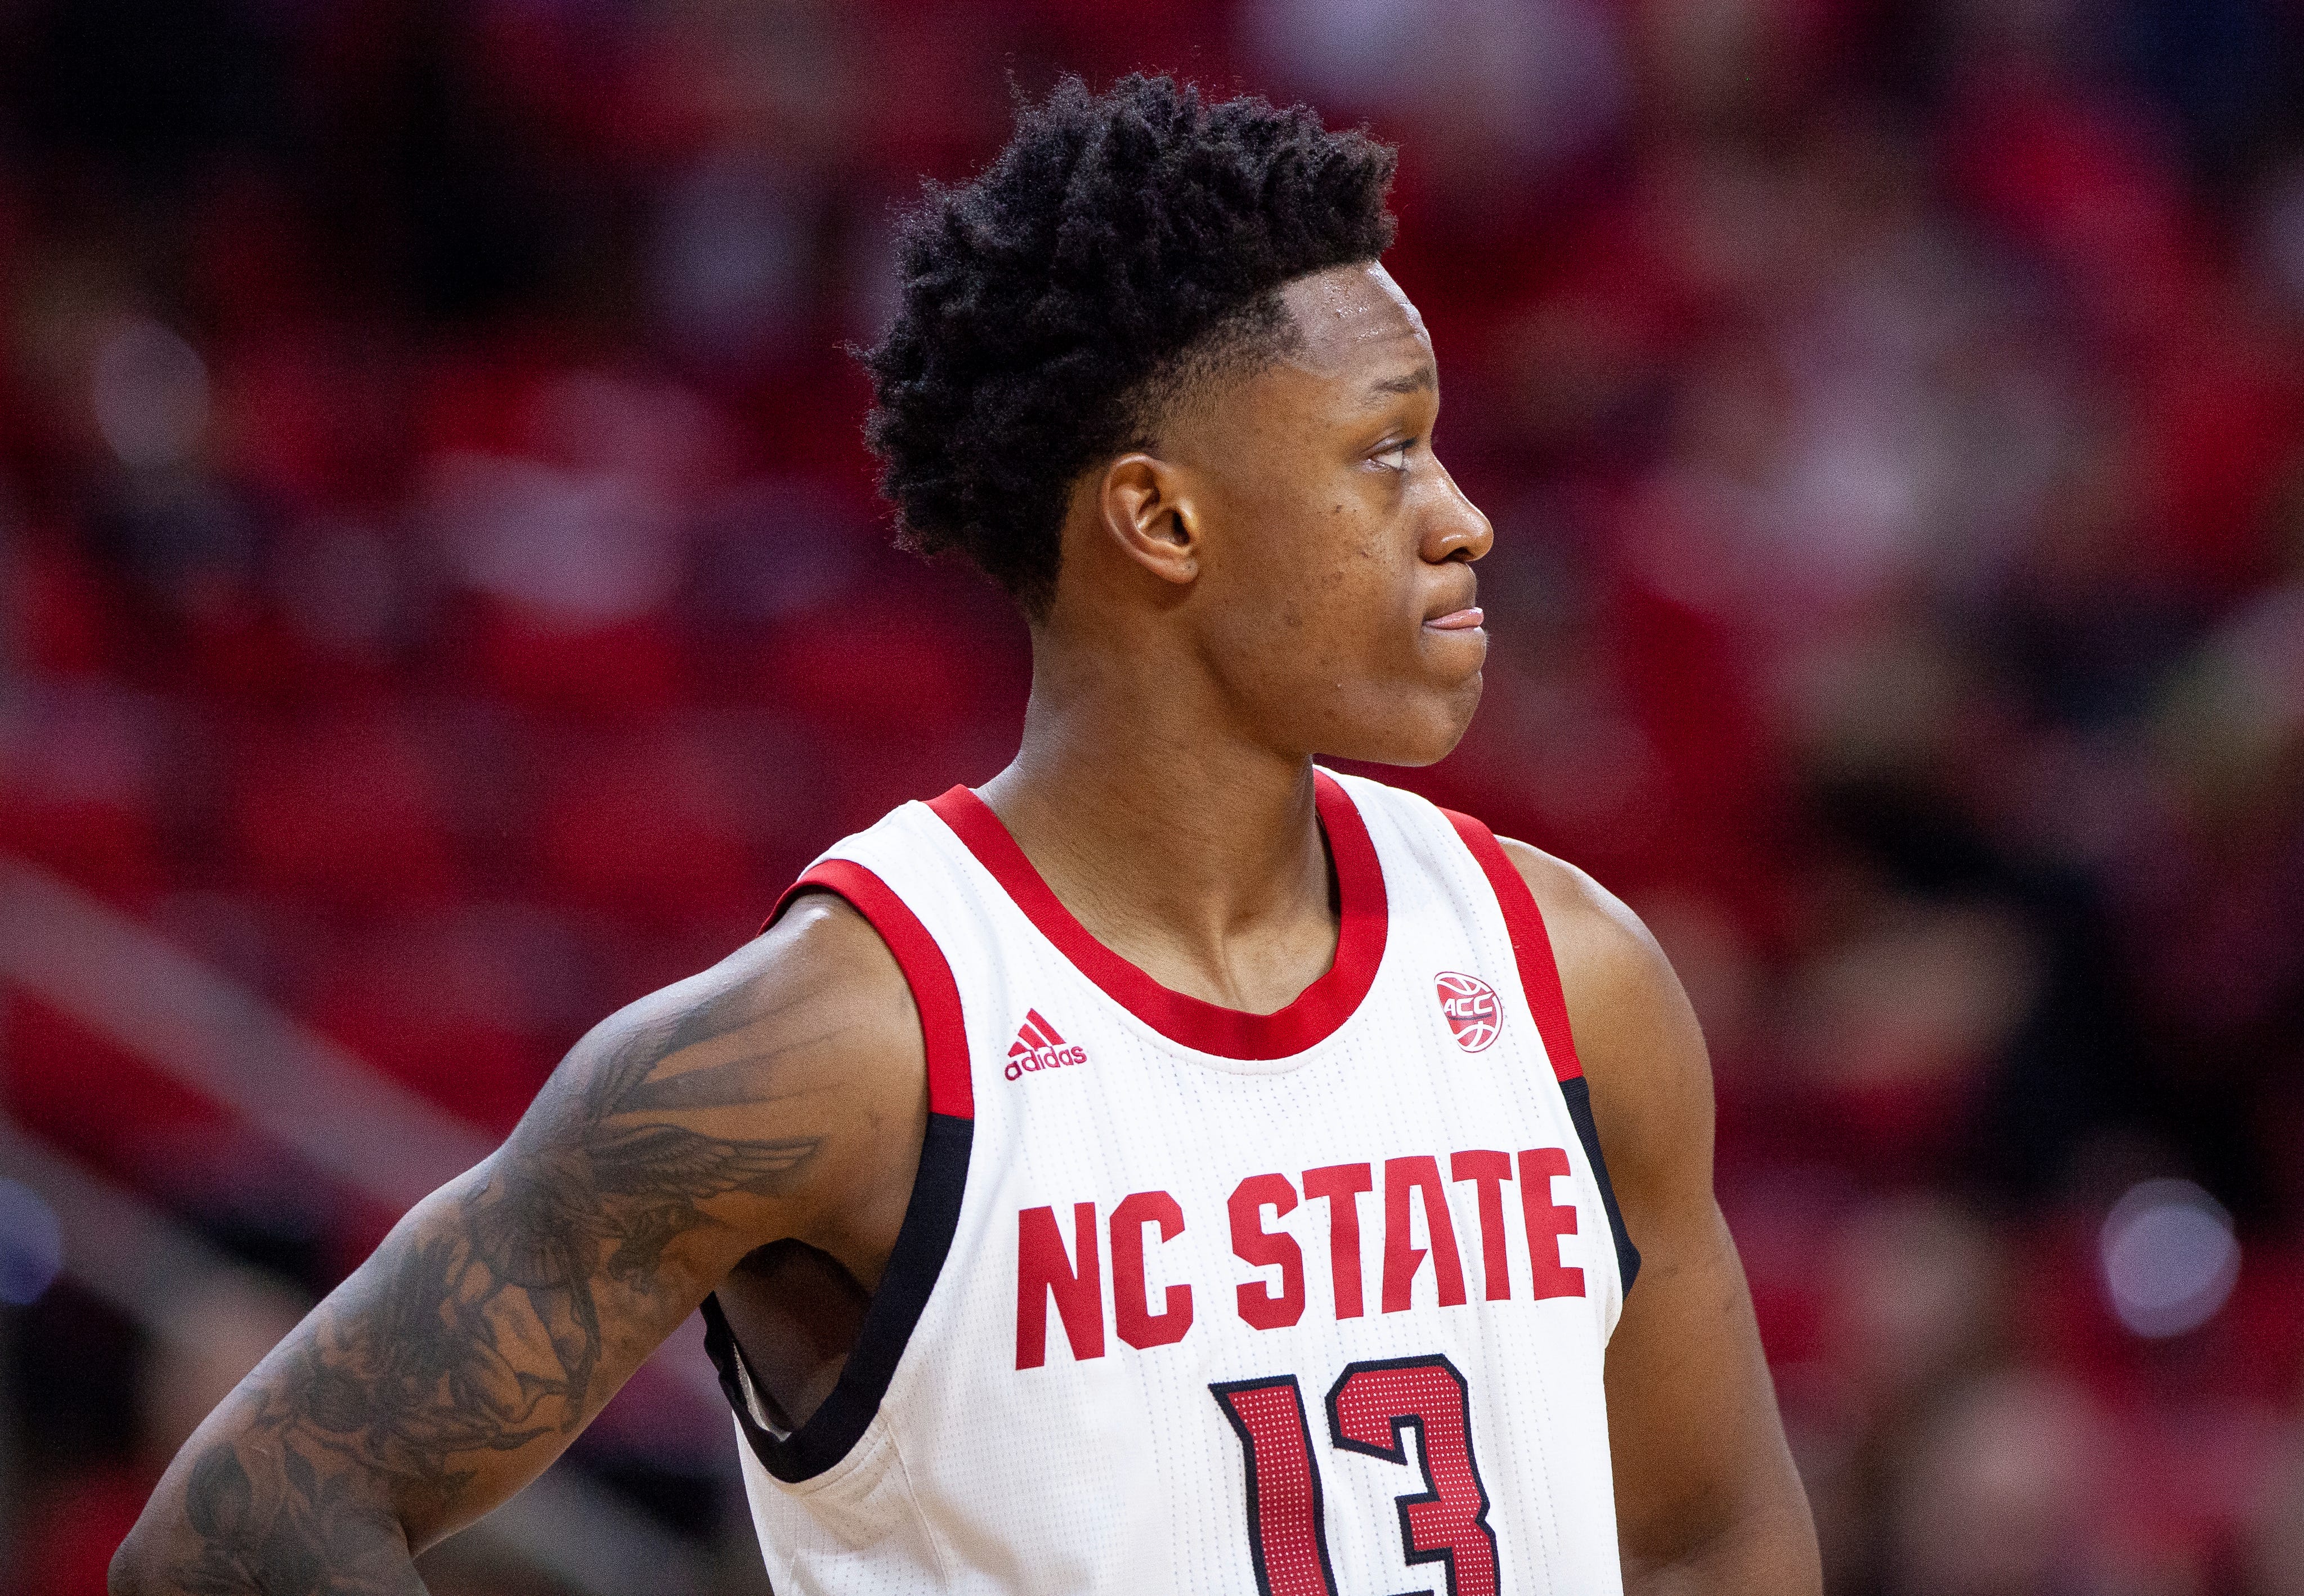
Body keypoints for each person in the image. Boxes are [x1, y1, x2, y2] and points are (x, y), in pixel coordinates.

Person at [111, 76, 1820, 1595]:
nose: (1465, 519)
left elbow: (1706, 1542)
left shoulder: (1569, 977)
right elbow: (250, 1524)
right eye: (1387, 455)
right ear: (1159, 519)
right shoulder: (839, 1047)